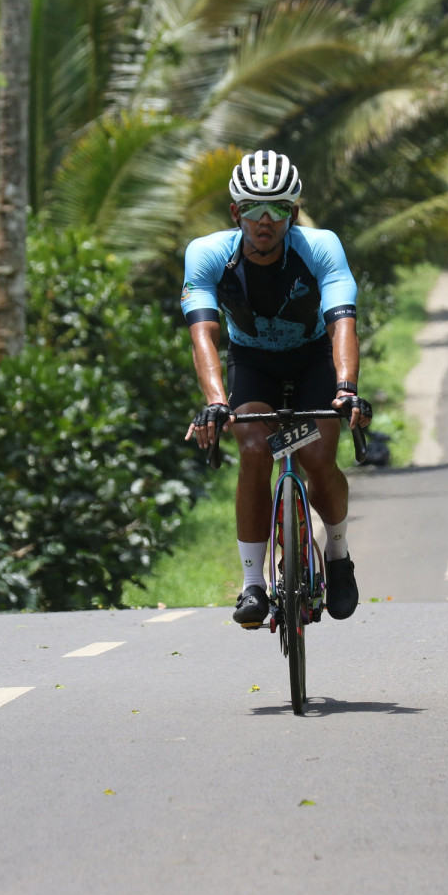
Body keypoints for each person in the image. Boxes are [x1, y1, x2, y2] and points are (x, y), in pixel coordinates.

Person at [180, 150, 373, 629]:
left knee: (317, 457)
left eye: (278, 208)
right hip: (253, 364)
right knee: (252, 449)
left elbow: (342, 322)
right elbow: (204, 335)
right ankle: (253, 584)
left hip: (313, 362)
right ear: (235, 212)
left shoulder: (321, 247)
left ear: (294, 212)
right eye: (252, 208)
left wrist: (346, 389)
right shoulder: (207, 254)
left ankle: (338, 554)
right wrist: (216, 403)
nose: (264, 220)